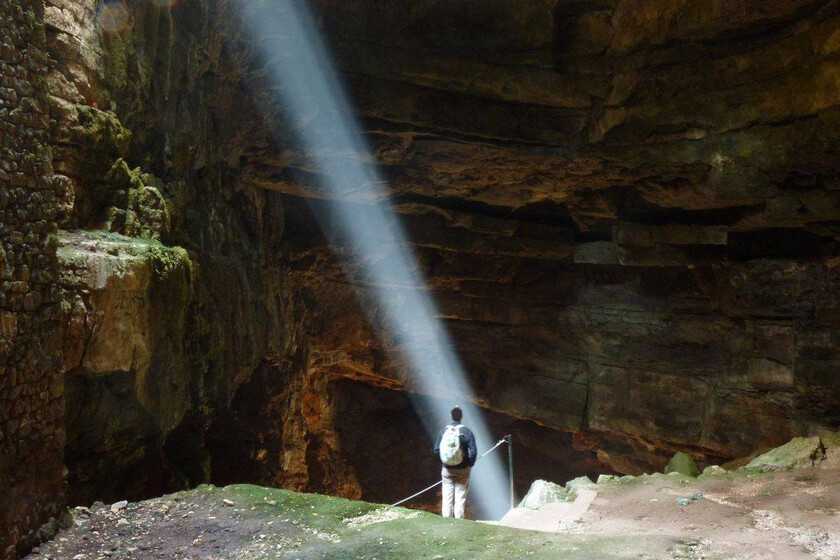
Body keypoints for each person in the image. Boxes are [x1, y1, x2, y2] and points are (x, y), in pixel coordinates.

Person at [432, 406, 477, 519]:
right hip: (463, 470)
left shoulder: (443, 431)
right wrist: (469, 464)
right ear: (461, 417)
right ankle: (459, 523)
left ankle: (446, 522)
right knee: (460, 497)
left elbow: (436, 449)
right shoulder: (466, 432)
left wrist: (444, 463)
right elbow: (473, 452)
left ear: (451, 416)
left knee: (447, 497)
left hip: (447, 469)